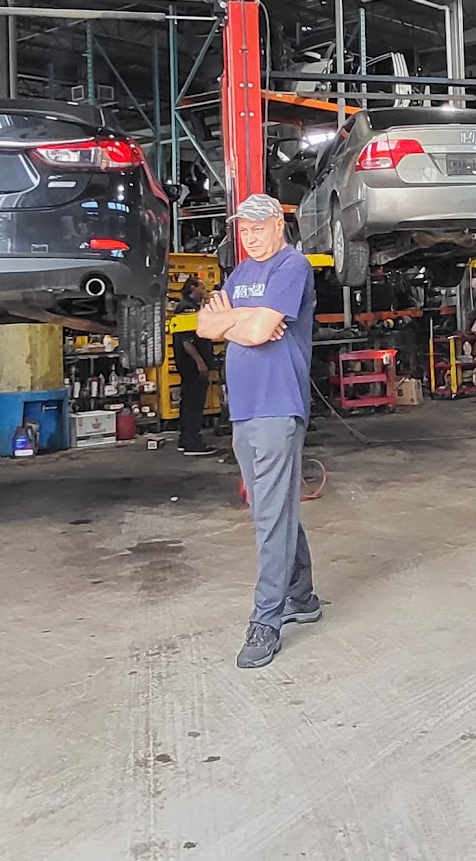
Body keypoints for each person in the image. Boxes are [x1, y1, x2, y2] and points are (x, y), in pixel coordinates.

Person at [193, 194, 322, 668]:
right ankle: (302, 597)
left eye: (257, 227)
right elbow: (205, 325)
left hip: (276, 406)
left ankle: (266, 620)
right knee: (275, 507)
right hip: (243, 410)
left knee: (269, 514)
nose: (249, 237)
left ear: (277, 226)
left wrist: (237, 322)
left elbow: (255, 327)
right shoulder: (240, 274)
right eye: (243, 230)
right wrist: (239, 323)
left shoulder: (291, 266)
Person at [170, 276, 221, 458]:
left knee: (188, 401)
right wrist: (200, 361)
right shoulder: (187, 307)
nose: (204, 291)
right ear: (193, 288)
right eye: (202, 287)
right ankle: (193, 442)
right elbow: (187, 340)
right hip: (192, 365)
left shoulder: (189, 305)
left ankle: (186, 439)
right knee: (194, 402)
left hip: (189, 364)